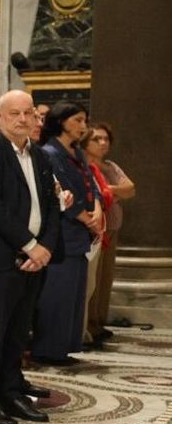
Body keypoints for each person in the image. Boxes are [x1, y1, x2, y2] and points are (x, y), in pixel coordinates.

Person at [0, 90, 61, 424]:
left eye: (27, 113)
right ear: (0, 116)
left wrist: (45, 247)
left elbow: (51, 205)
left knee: (19, 329)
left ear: (35, 116)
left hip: (34, 256)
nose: (22, 119)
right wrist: (30, 244)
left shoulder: (40, 155)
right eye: (14, 113)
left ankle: (11, 391)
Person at [32, 102, 101, 366]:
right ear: (61, 121)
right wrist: (86, 218)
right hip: (63, 231)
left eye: (85, 120)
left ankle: (65, 347)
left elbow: (89, 183)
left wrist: (96, 208)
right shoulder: (50, 152)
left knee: (74, 293)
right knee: (57, 293)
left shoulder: (77, 152)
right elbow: (62, 190)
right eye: (78, 120)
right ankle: (49, 349)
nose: (83, 126)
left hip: (80, 232)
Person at [85, 122, 132, 345]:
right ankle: (88, 324)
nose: (103, 143)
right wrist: (110, 192)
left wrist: (108, 189)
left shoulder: (111, 166)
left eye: (106, 139)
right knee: (93, 280)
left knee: (105, 278)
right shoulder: (84, 165)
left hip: (112, 227)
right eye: (97, 139)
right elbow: (96, 194)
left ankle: (99, 323)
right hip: (95, 229)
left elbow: (130, 189)